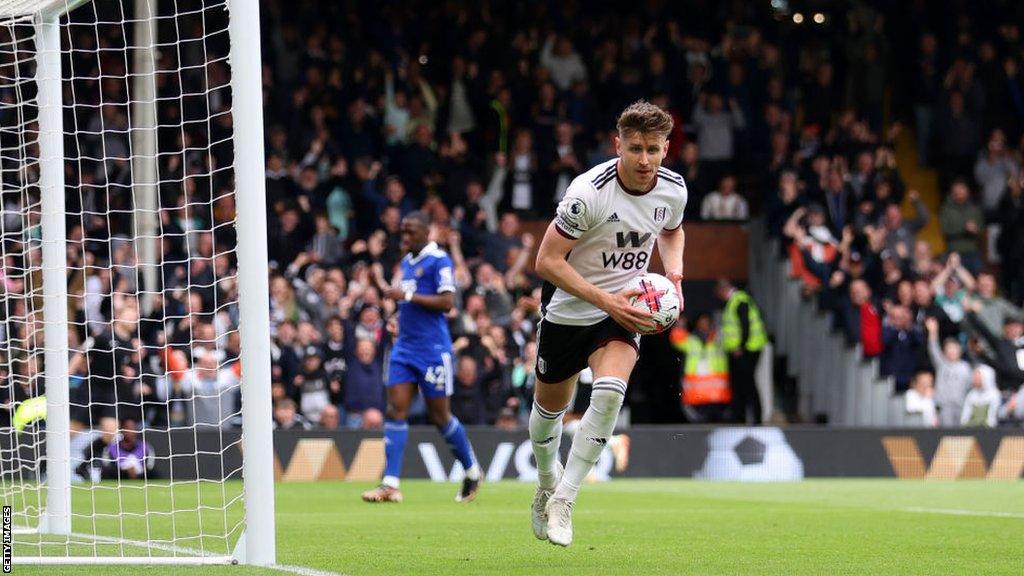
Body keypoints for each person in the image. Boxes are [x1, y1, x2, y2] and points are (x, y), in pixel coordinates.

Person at [530, 101, 686, 547]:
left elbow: (672, 229)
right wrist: (605, 301)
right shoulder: (588, 194)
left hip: (625, 310)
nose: (644, 160)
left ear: (666, 148)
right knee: (547, 419)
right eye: (635, 148)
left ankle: (566, 499)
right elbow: (546, 261)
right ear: (618, 144)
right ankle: (546, 480)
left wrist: (673, 275)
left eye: (653, 150)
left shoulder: (673, 190)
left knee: (611, 391)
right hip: (567, 310)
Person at [361, 211, 482, 504]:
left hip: (432, 351)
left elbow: (447, 302)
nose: (405, 237)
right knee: (395, 409)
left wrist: (408, 298)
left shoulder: (440, 260)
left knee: (440, 416)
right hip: (404, 347)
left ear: (427, 232)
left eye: (410, 232)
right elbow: (407, 302)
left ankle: (471, 469)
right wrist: (397, 318)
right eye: (403, 232)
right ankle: (390, 483)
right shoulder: (407, 262)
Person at [716, 279, 767, 424]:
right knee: (739, 384)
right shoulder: (734, 302)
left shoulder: (740, 300)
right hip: (740, 350)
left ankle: (755, 418)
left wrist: (741, 346)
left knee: (748, 383)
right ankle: (741, 416)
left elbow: (746, 325)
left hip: (749, 349)